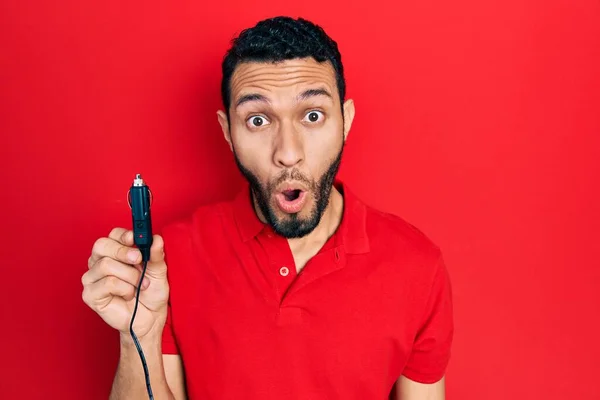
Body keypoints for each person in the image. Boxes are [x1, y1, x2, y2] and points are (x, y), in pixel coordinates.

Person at [81, 16, 454, 400]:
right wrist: (137, 337)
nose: (288, 153)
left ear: (346, 121)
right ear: (228, 133)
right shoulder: (169, 259)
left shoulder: (418, 266)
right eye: (258, 120)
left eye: (312, 116)